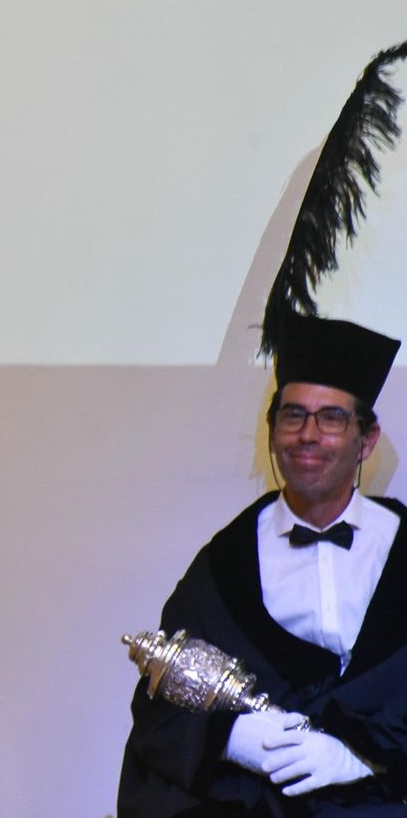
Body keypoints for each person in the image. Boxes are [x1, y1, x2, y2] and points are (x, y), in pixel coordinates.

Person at [118, 314, 407, 817]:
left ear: (367, 439)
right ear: (273, 432)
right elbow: (159, 712)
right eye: (292, 416)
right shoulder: (224, 566)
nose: (308, 435)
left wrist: (363, 758)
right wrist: (230, 738)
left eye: (332, 418)